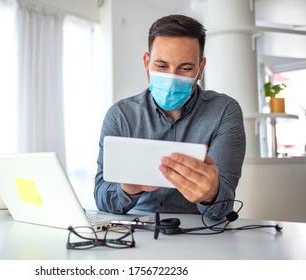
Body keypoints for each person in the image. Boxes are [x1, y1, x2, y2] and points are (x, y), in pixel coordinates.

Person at [94, 14, 246, 220]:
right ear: (147, 62)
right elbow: (101, 196)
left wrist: (211, 194)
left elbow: (223, 206)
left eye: (185, 68)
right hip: (138, 231)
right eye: (162, 66)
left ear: (200, 69)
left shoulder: (224, 112)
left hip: (200, 233)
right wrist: (128, 189)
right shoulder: (120, 115)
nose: (172, 78)